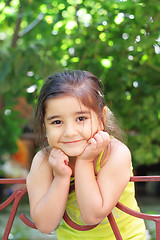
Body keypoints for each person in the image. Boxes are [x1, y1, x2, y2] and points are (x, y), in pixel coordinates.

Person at [27, 70, 146, 239]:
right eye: (57, 122)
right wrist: (61, 177)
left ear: (101, 118)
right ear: (45, 125)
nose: (70, 132)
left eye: (81, 118)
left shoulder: (115, 153)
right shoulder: (44, 161)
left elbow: (92, 215)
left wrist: (85, 161)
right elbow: (45, 225)